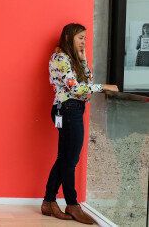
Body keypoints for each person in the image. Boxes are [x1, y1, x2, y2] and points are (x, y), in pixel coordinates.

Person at [41, 23, 118, 224]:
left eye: (85, 37)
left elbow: (87, 80)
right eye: (80, 37)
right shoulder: (60, 58)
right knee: (70, 159)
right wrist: (103, 87)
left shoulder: (72, 59)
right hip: (66, 109)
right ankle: (72, 204)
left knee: (65, 158)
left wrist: (83, 60)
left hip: (73, 110)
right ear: (68, 37)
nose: (84, 41)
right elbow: (76, 88)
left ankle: (49, 202)